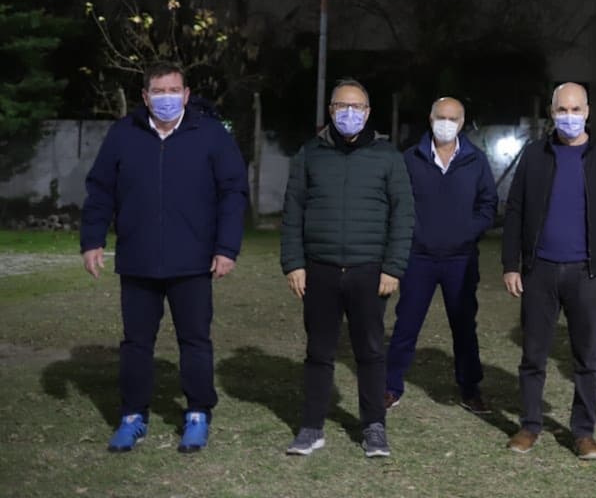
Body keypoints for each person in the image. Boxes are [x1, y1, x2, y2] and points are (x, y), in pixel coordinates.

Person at [80, 61, 248, 454]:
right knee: (137, 343)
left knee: (195, 341)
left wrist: (226, 248)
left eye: (175, 90)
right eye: (160, 91)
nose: (167, 98)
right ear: (145, 96)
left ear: (187, 95)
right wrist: (92, 241)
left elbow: (233, 193)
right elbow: (100, 190)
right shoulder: (123, 134)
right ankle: (133, 416)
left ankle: (197, 414)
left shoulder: (210, 135)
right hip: (138, 261)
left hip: (193, 262)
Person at [280, 79, 414, 459]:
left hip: (369, 271)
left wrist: (393, 268)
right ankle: (311, 427)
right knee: (319, 352)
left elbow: (403, 215)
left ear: (369, 112)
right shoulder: (310, 154)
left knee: (371, 352)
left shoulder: (388, 157)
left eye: (357, 107)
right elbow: (293, 212)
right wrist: (294, 263)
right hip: (319, 270)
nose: (349, 113)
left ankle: (374, 427)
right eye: (342, 106)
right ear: (330, 111)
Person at [502, 82, 596, 461]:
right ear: (552, 112)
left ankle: (584, 432)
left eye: (576, 110)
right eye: (562, 110)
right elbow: (515, 212)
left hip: (588, 273)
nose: (569, 117)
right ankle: (529, 425)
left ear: (588, 111)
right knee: (533, 355)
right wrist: (512, 264)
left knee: (588, 358)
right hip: (539, 270)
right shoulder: (534, 156)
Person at [385, 97, 498, 413]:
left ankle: (470, 388)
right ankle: (391, 386)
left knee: (464, 326)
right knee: (406, 324)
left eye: (452, 118)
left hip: (460, 260)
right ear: (430, 118)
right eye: (440, 116)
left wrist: (468, 230)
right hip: (418, 257)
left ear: (462, 123)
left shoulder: (476, 161)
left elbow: (488, 205)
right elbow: (398, 204)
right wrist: (413, 234)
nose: (446, 123)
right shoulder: (410, 158)